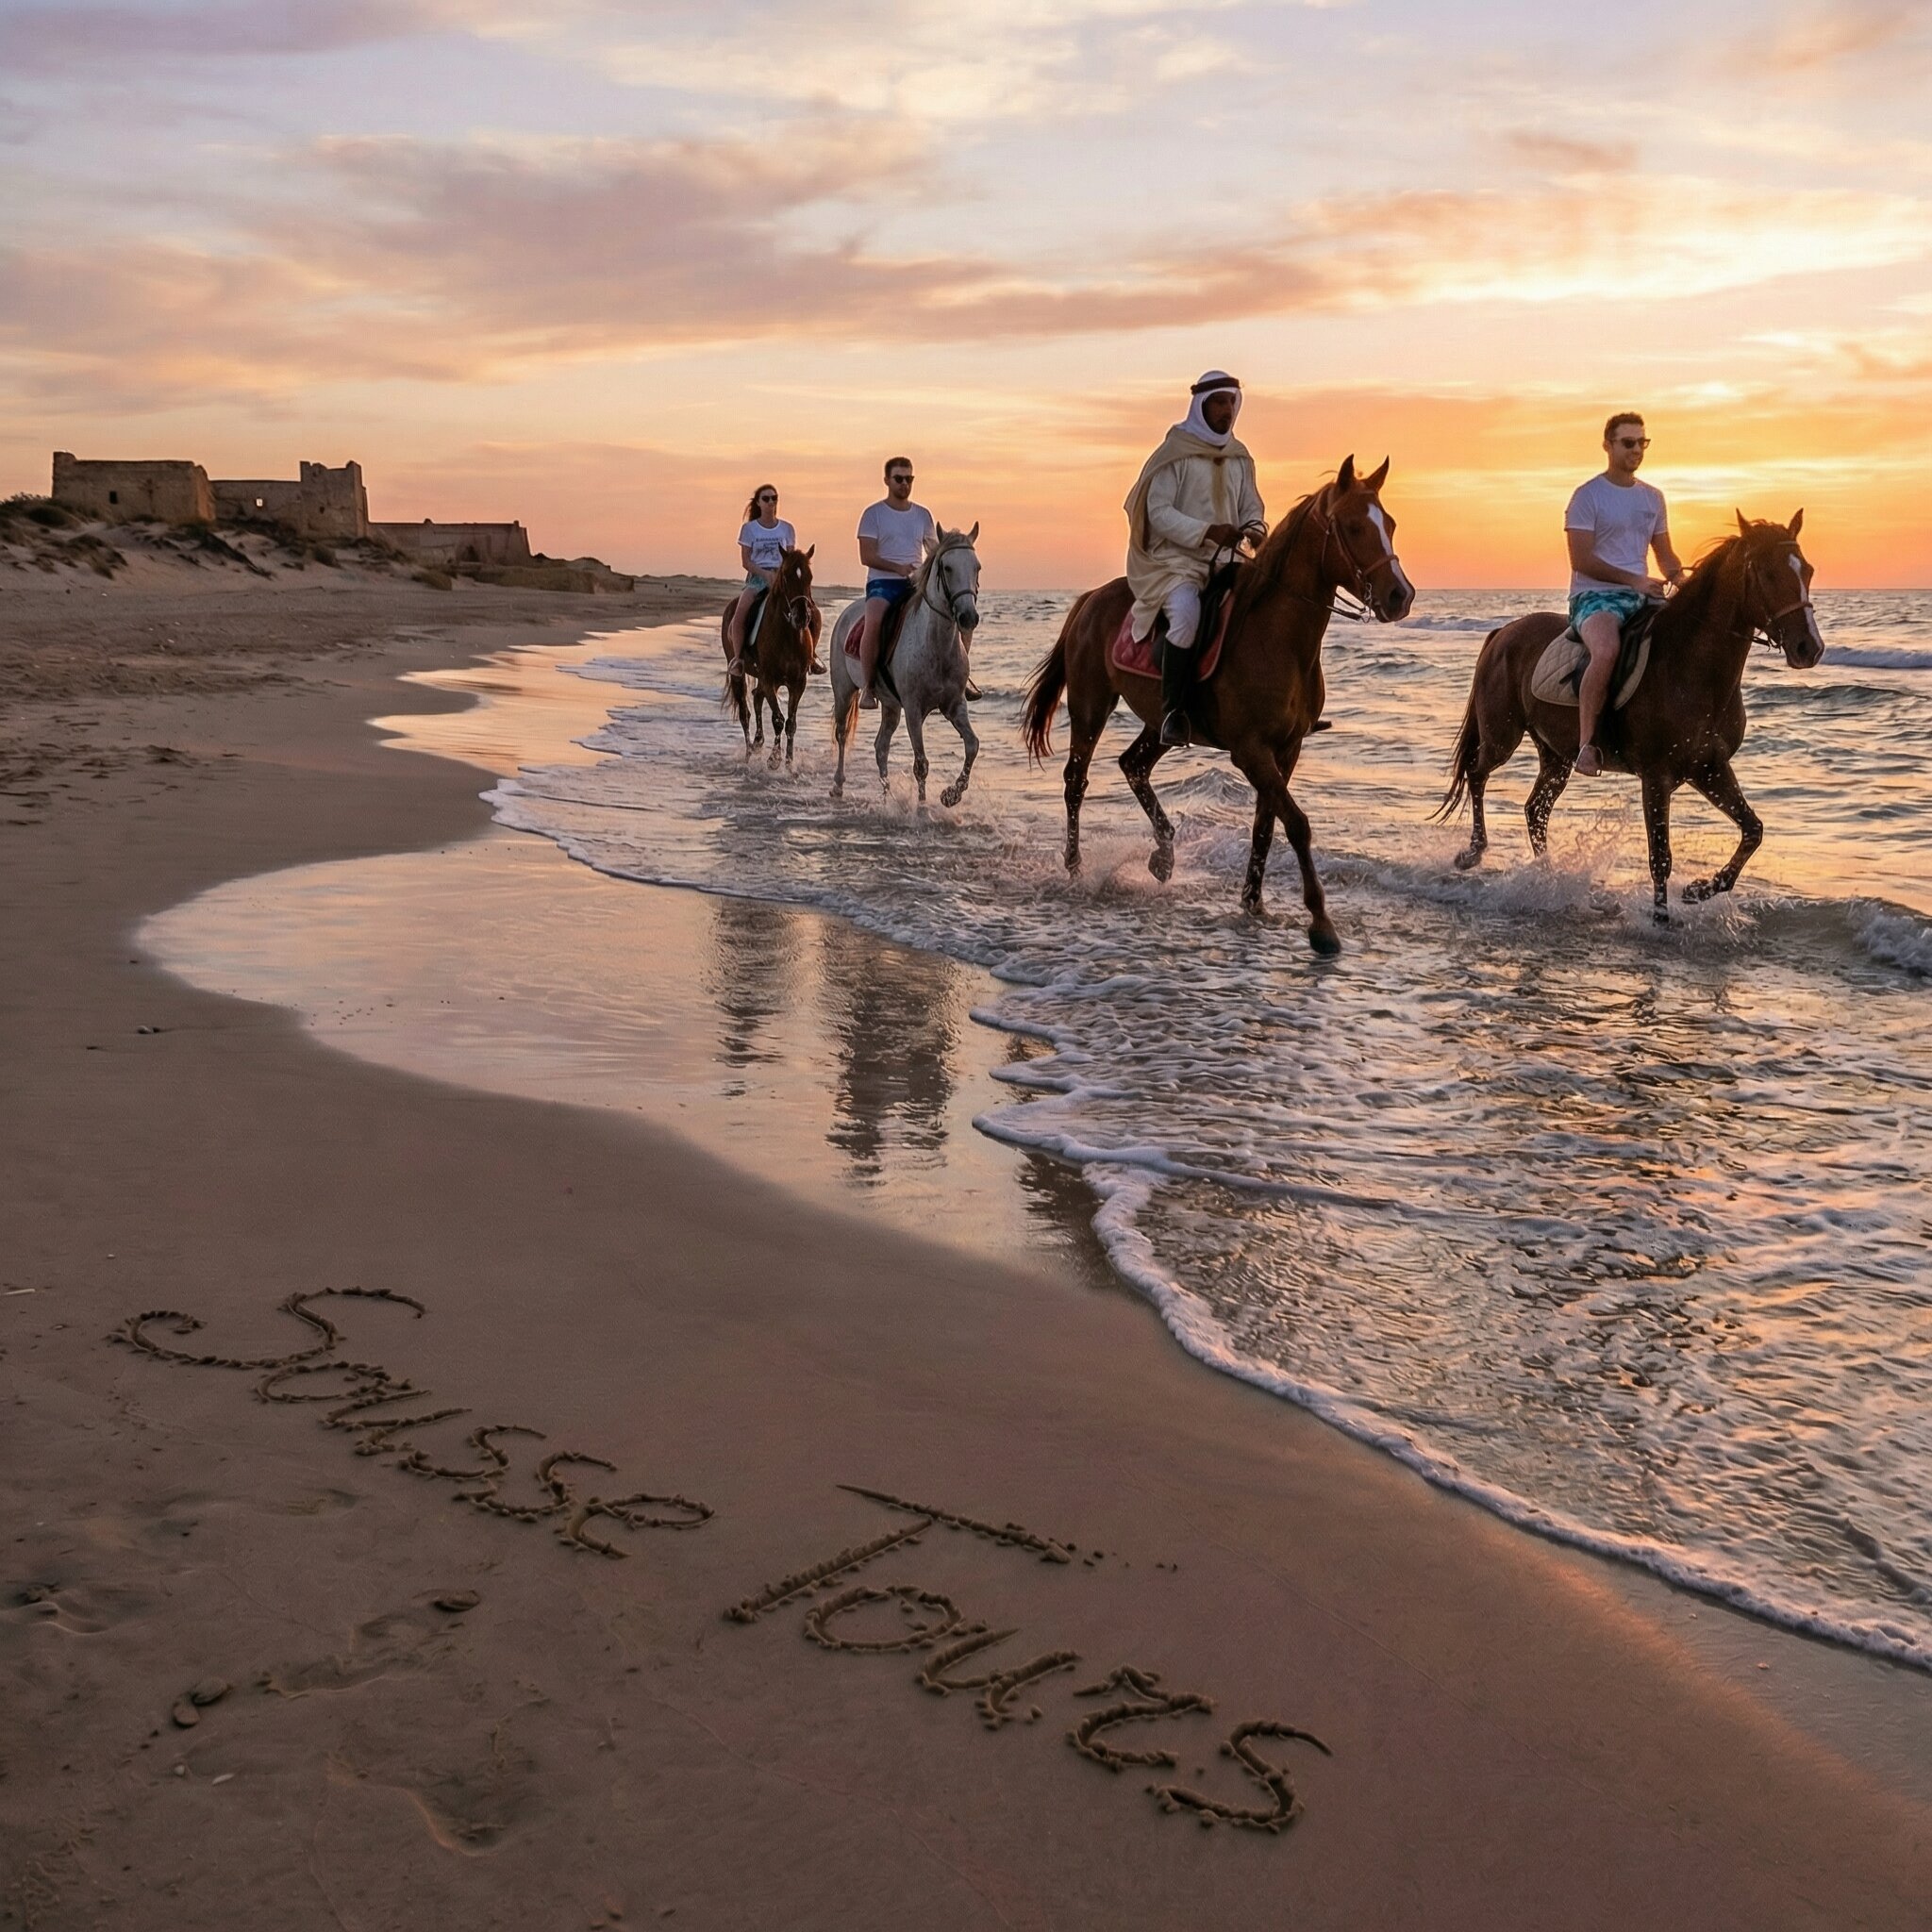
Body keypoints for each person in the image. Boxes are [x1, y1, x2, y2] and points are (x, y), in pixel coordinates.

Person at [1124, 372, 1266, 745]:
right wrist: (1206, 531)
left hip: (1229, 561)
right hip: (1176, 563)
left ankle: (1276, 708)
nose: (1227, 410)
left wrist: (1254, 528)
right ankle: (1172, 712)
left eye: (1231, 403)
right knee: (1186, 615)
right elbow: (1158, 512)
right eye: (1219, 403)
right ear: (1201, 406)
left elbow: (1252, 505)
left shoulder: (1240, 458)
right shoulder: (1174, 454)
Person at [1564, 412, 1687, 774]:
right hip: (1594, 597)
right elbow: (1581, 559)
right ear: (1608, 446)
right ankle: (1587, 745)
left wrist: (1681, 579)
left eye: (1642, 443)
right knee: (1607, 650)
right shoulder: (1588, 496)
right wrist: (1633, 580)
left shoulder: (1652, 498)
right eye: (1628, 443)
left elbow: (1664, 556)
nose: (1637, 450)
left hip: (1643, 595)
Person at [854, 457, 936, 708]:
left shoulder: (923, 515)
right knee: (875, 621)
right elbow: (866, 556)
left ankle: (958, 677)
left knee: (950, 616)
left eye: (909, 479)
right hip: (883, 582)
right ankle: (869, 687)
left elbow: (932, 550)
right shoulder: (873, 514)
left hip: (914, 583)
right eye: (899, 479)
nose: (904, 484)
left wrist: (927, 568)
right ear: (887, 480)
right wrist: (897, 567)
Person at [726, 485, 821, 675]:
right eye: (766, 498)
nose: (771, 502)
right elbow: (746, 561)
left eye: (774, 498)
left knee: (813, 612)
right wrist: (765, 574)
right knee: (740, 613)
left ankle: (811, 657)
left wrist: (783, 575)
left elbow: (791, 557)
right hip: (757, 578)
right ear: (758, 503)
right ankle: (738, 660)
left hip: (784, 577)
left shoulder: (787, 528)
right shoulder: (749, 529)